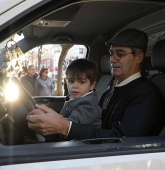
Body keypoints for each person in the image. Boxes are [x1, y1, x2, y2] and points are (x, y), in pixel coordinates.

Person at [27, 28, 165, 140]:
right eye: (111, 53)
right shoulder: (110, 90)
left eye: (120, 54)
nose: (112, 59)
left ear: (139, 57)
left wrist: (65, 127)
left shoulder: (146, 94)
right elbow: (96, 124)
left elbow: (123, 139)